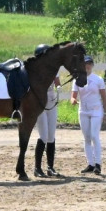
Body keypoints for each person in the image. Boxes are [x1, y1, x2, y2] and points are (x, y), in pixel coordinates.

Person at [71, 54, 106, 175]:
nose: (87, 66)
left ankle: (98, 163)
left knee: (94, 135)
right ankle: (90, 164)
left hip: (96, 110)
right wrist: (73, 100)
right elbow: (73, 95)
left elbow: (104, 97)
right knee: (86, 137)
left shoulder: (98, 79)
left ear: (92, 66)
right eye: (85, 64)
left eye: (89, 64)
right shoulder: (77, 79)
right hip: (83, 110)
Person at [33, 44, 62, 178]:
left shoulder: (53, 68)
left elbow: (57, 82)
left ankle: (50, 167)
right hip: (40, 102)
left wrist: (59, 88)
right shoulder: (35, 69)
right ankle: (37, 168)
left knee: (51, 136)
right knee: (43, 135)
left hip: (51, 99)